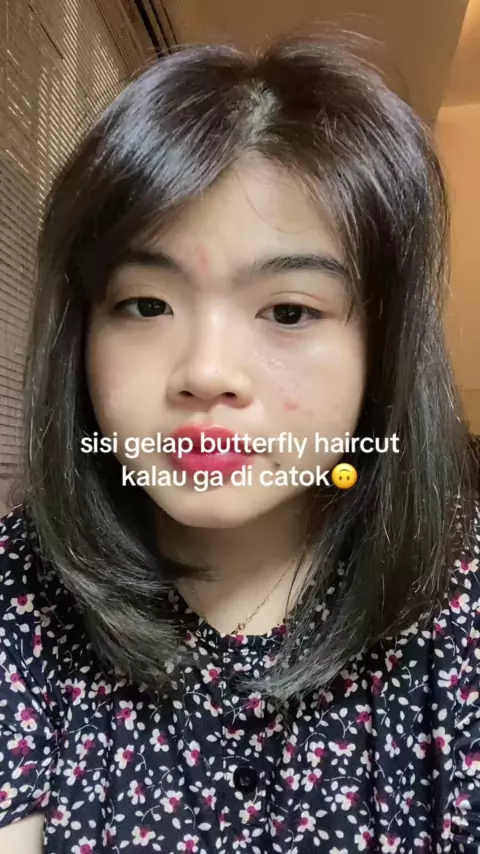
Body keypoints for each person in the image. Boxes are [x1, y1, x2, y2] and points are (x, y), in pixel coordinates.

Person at [0, 30, 479, 854]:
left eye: (289, 311)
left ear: (383, 351)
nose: (207, 372)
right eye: (146, 305)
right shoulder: (21, 587)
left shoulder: (458, 605)